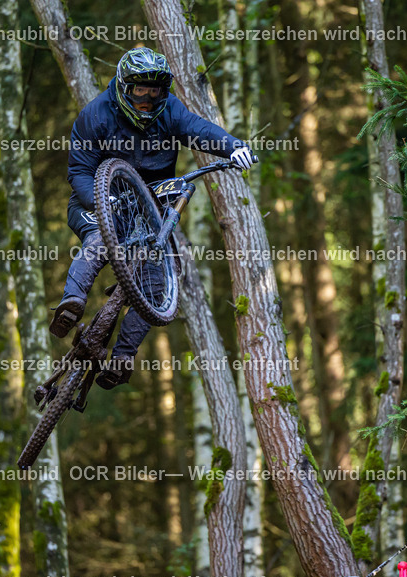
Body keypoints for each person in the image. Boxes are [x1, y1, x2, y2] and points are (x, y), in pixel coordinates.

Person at [52, 47, 255, 389]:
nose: (147, 100)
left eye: (154, 92)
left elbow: (199, 129)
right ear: (124, 88)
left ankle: (122, 357)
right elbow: (79, 171)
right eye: (139, 91)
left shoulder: (170, 110)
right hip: (97, 201)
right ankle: (71, 302)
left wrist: (233, 146)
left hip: (149, 211)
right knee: (100, 238)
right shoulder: (96, 114)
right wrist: (102, 200)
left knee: (157, 281)